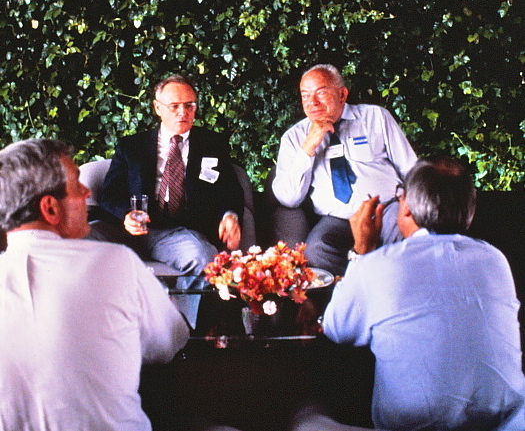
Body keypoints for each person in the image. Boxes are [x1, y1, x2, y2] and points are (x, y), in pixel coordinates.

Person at [311, 157, 525, 431]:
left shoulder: (380, 264)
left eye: (400, 196)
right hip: (506, 422)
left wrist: (362, 251)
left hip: (412, 426)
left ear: (408, 209)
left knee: (307, 414)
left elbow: (335, 329)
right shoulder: (495, 260)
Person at [0, 138, 190, 431]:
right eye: (78, 186)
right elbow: (169, 343)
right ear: (50, 208)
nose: (88, 193)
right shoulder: (116, 263)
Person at [91, 73, 244, 326]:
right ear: (157, 108)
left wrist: (230, 216)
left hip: (173, 233)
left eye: (189, 105)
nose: (182, 113)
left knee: (202, 255)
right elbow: (110, 194)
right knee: (80, 239)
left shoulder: (212, 144)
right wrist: (125, 215)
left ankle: (184, 331)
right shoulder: (132, 146)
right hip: (127, 228)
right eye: (174, 106)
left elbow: (230, 190)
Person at [271, 64, 417, 275]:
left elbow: (410, 167)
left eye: (320, 93)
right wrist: (309, 147)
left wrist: (410, 206)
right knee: (316, 252)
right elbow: (288, 198)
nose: (312, 103)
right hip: (338, 220)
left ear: (342, 94)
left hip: (384, 209)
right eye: (305, 96)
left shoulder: (375, 117)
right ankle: (358, 295)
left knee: (411, 240)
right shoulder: (294, 138)